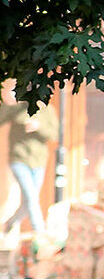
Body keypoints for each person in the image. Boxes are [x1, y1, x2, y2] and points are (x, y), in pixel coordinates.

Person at [1, 93, 58, 239]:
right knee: (31, 197)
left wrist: (39, 127)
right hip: (19, 159)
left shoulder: (47, 110)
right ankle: (39, 231)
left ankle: (10, 223)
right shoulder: (18, 108)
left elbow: (54, 135)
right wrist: (6, 103)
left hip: (39, 161)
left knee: (29, 201)